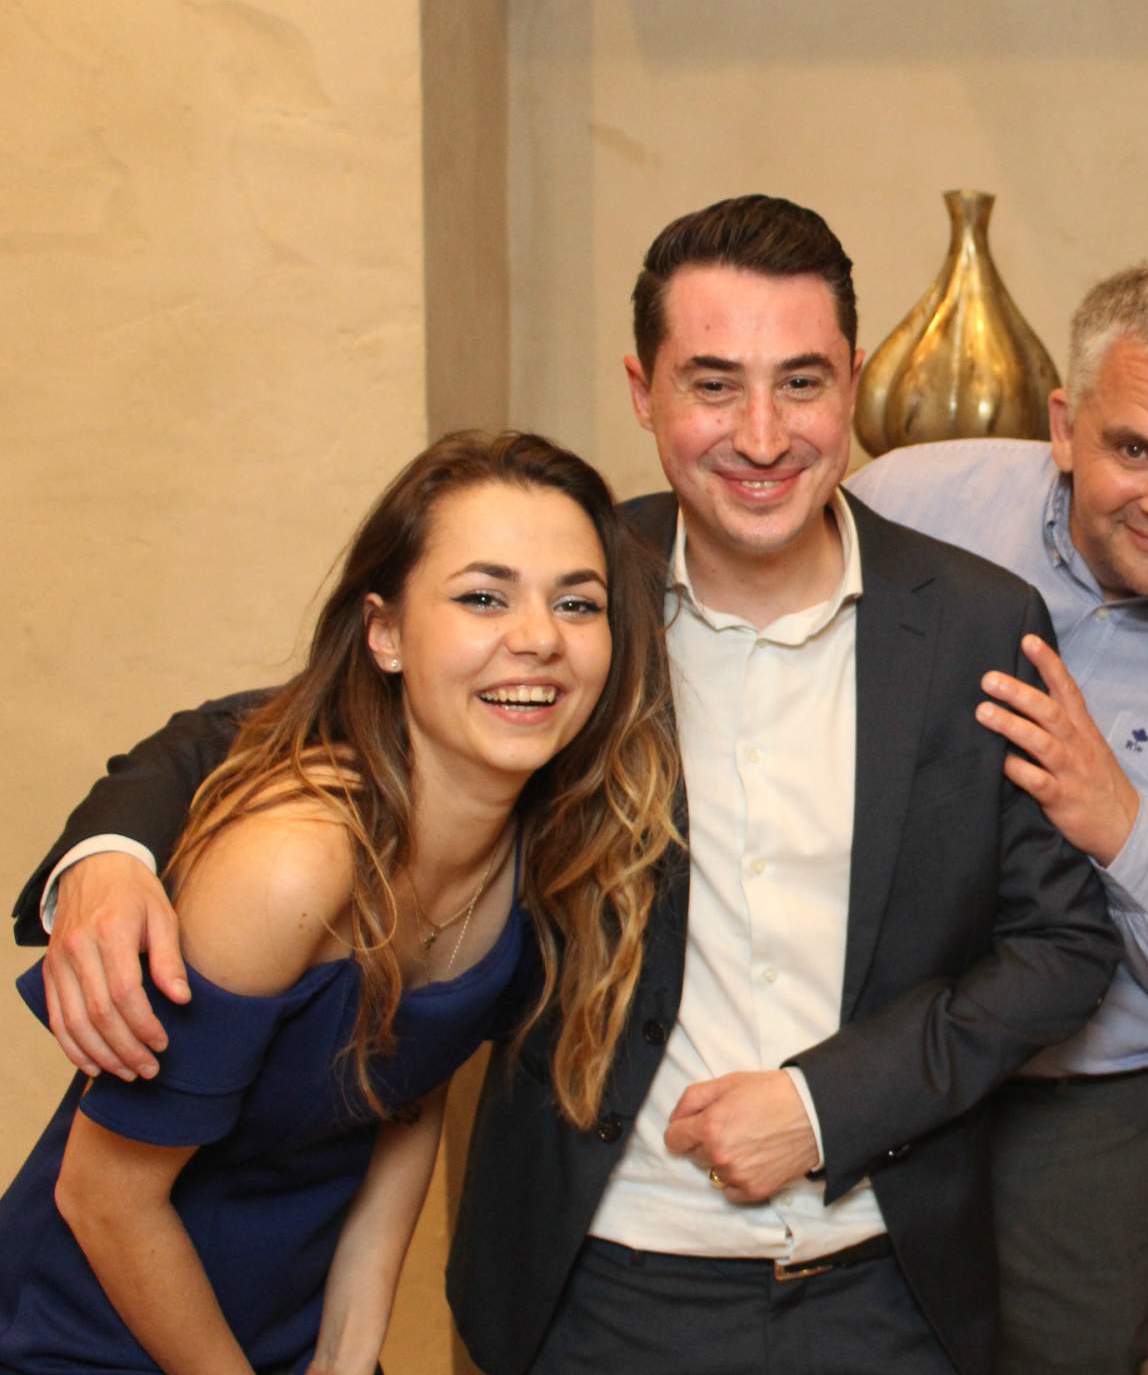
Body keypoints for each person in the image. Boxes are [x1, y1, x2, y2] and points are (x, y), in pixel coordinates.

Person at [14, 195, 1123, 1375]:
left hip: (884, 1281)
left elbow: (1062, 943)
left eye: (801, 383)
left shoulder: (974, 625)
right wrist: (109, 860)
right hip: (593, 1285)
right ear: (643, 392)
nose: (761, 436)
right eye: (712, 384)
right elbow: (255, 724)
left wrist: (826, 1106)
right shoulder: (576, 590)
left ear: (852, 382)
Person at [0, 430, 680, 1372]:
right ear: (385, 633)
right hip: (82, 1341)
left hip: (279, 1337)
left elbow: (406, 1099)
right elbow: (105, 1198)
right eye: (483, 597)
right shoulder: (293, 864)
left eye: (577, 603)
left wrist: (351, 1352)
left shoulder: (536, 849)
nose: (538, 638)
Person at [846, 262, 1148, 1374]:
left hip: (1089, 1127)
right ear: (1065, 427)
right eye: (1134, 451)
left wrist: (1123, 823)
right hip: (861, 1064)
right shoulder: (911, 504)